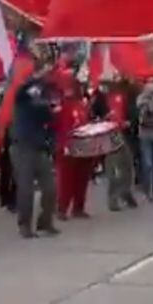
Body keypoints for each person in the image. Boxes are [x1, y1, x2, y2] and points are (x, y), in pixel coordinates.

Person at [10, 63, 60, 238]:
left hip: (40, 147)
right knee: (26, 189)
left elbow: (50, 122)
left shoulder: (45, 99)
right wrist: (37, 76)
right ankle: (24, 225)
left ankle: (45, 222)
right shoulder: (23, 97)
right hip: (22, 146)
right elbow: (23, 90)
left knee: (51, 188)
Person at [53, 79, 93, 220]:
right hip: (66, 147)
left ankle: (78, 208)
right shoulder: (60, 106)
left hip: (83, 147)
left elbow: (86, 123)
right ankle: (62, 209)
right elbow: (55, 125)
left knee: (82, 178)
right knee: (66, 180)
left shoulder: (83, 106)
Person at [96, 81, 138, 212]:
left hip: (122, 134)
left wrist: (129, 122)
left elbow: (132, 111)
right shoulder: (101, 99)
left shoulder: (125, 94)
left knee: (127, 166)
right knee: (113, 168)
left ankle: (125, 192)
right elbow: (94, 115)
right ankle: (113, 198)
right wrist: (103, 118)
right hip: (109, 134)